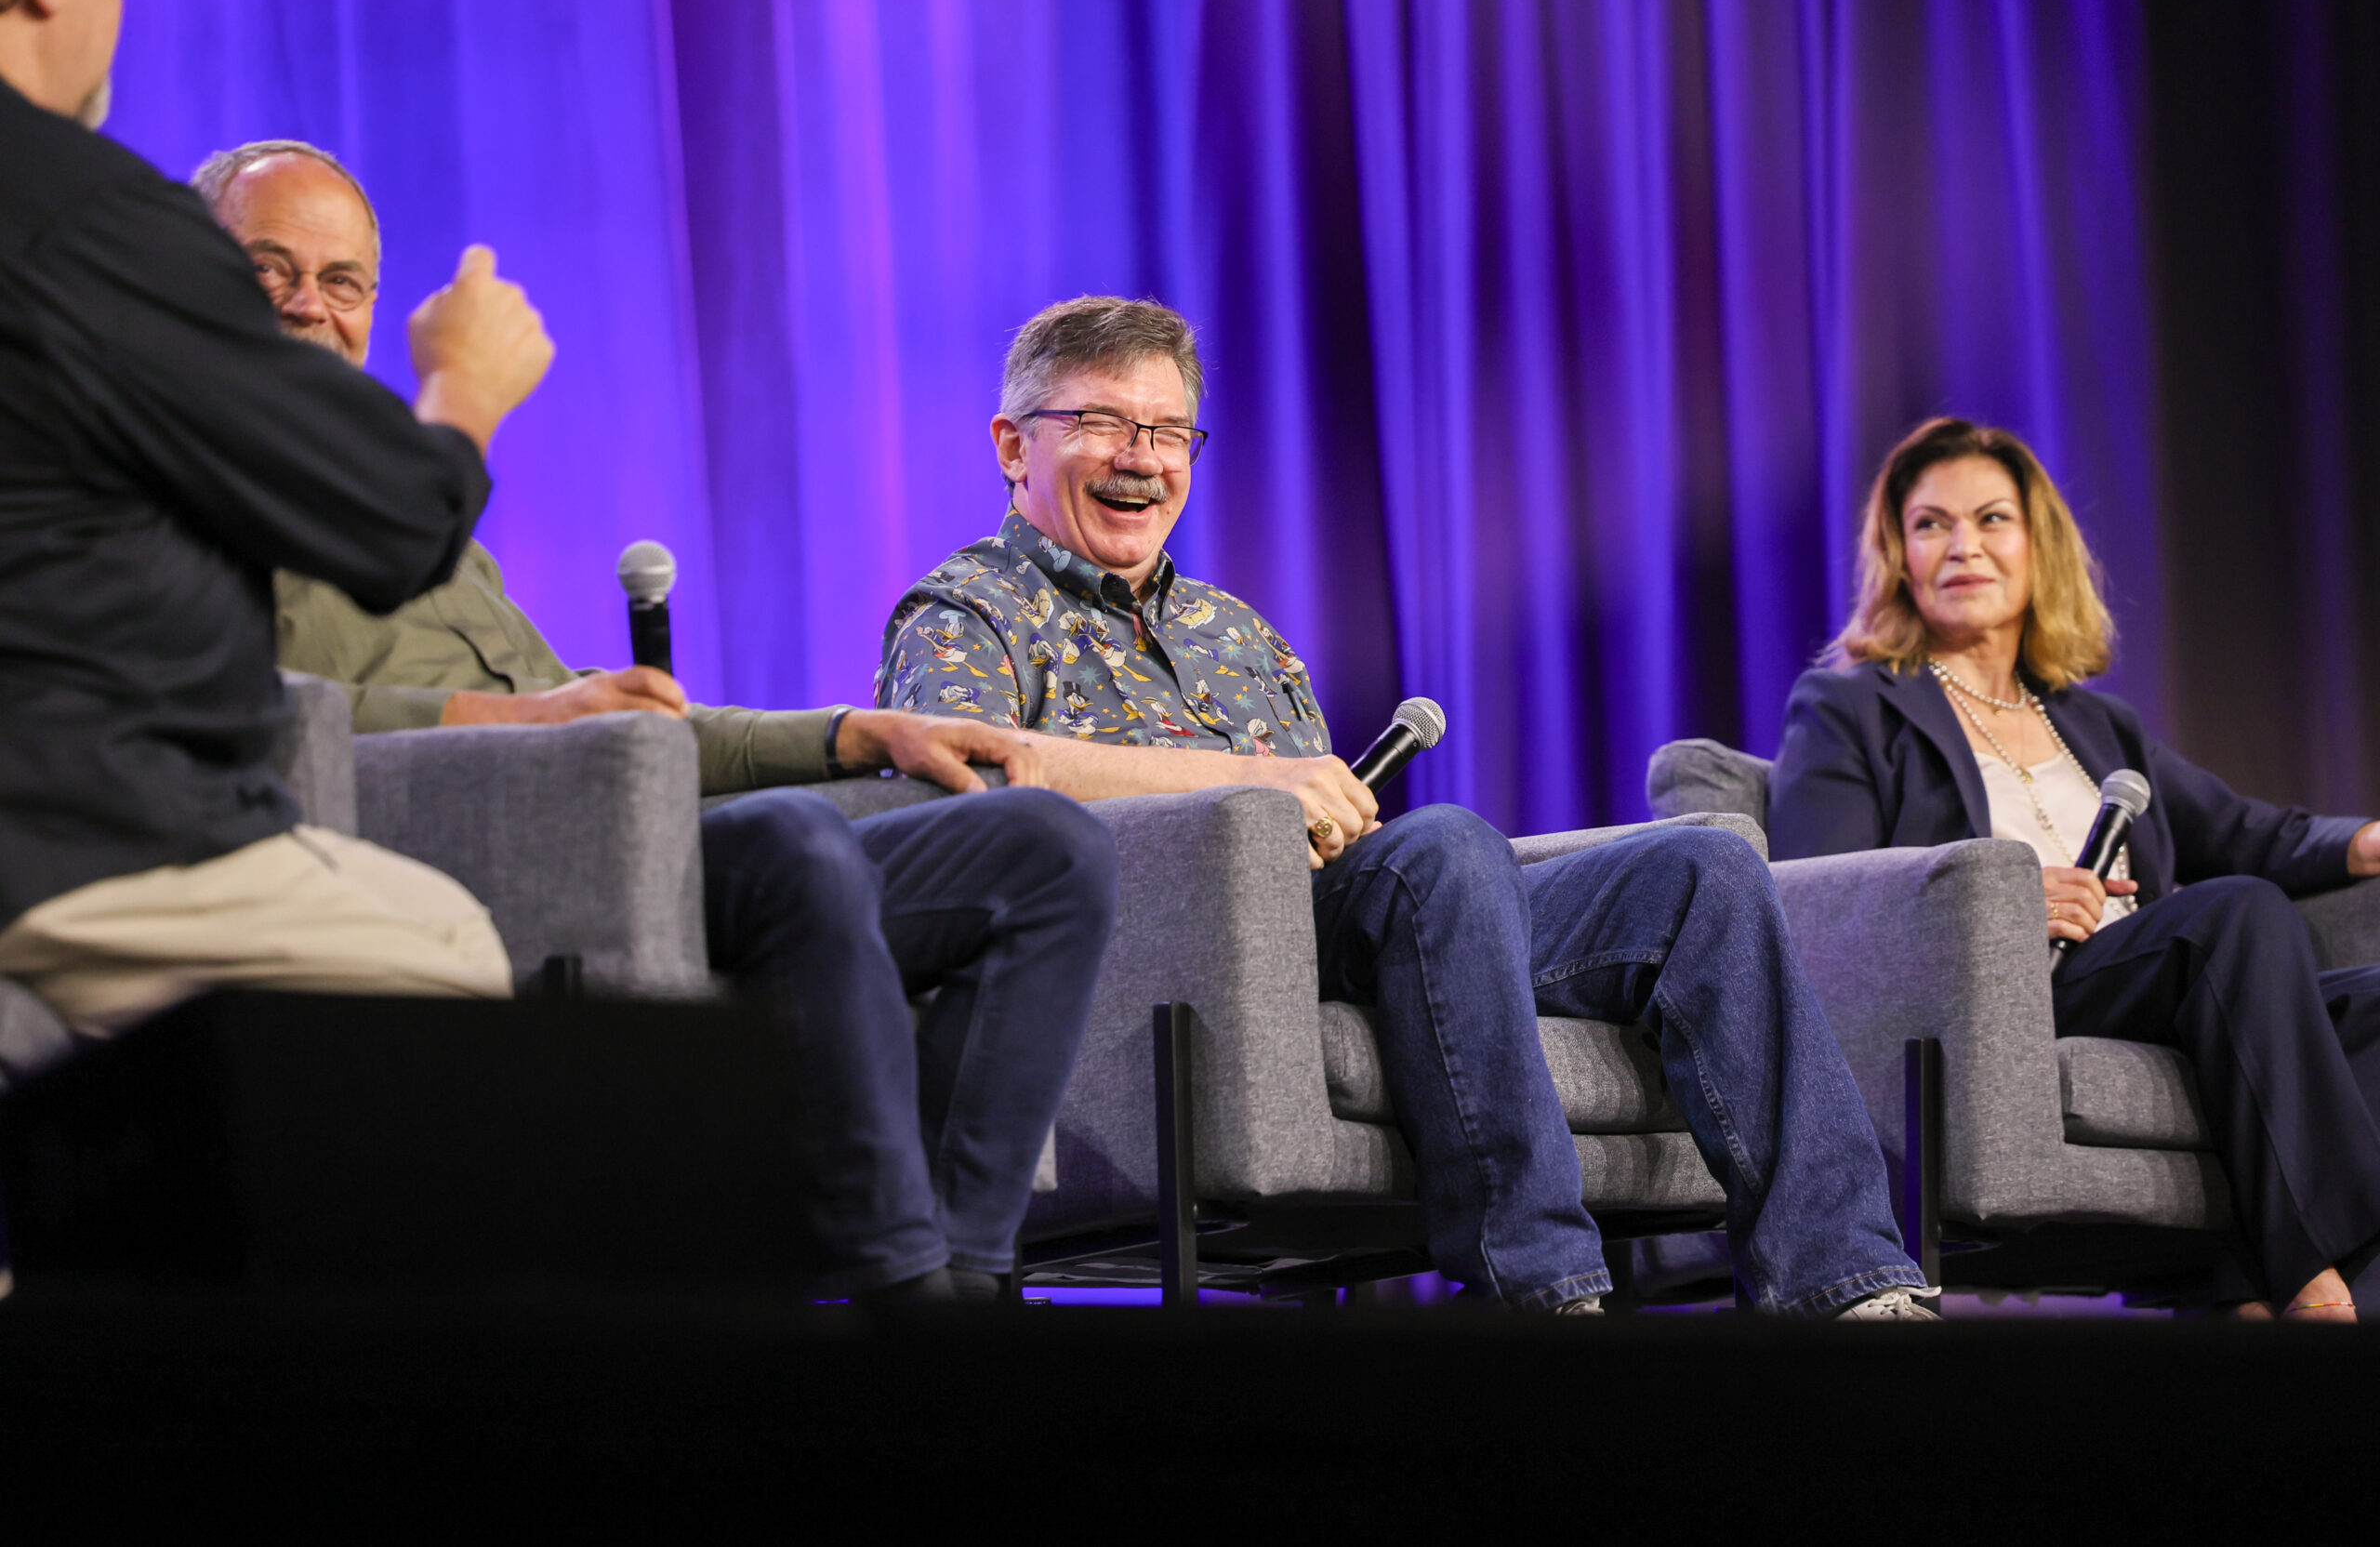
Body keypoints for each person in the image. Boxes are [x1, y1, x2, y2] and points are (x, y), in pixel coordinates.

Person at [878, 294, 1937, 1317]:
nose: (1141, 456)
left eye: (1166, 429)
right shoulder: (966, 610)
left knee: (1701, 869)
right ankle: (1547, 1287)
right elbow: (970, 786)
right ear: (1014, 446)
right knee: (1443, 848)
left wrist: (1327, 810)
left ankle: (1845, 1282)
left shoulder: (1234, 630)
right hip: (1175, 954)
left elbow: (1333, 828)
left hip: (1350, 918)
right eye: (1100, 422)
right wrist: (1253, 785)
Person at [205, 141, 1119, 1302]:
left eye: (343, 284)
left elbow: (620, 730)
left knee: (1043, 846)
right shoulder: (183, 490)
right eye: (269, 269)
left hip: (615, 826)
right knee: (793, 847)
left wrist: (853, 731)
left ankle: (965, 1273)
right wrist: (521, 720)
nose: (308, 306)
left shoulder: (430, 535)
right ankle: (900, 1284)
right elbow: (247, 712)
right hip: (454, 856)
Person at [0, 0, 553, 1036]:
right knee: (448, 957)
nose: (309, 306)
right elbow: (395, 521)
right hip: (82, 830)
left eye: (341, 281)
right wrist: (464, 386)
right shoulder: (78, 210)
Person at [1766, 416, 2380, 1320]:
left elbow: (2245, 831)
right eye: (1930, 525)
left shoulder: (2093, 724)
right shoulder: (1851, 708)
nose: (1961, 546)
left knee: (2369, 997)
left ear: (2034, 546)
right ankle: (2313, 1280)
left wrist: (2360, 842)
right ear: (1898, 554)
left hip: (2147, 975)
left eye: (1989, 520)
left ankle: (2242, 1294)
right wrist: (2002, 905)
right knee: (2235, 916)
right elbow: (1823, 893)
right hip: (2000, 995)